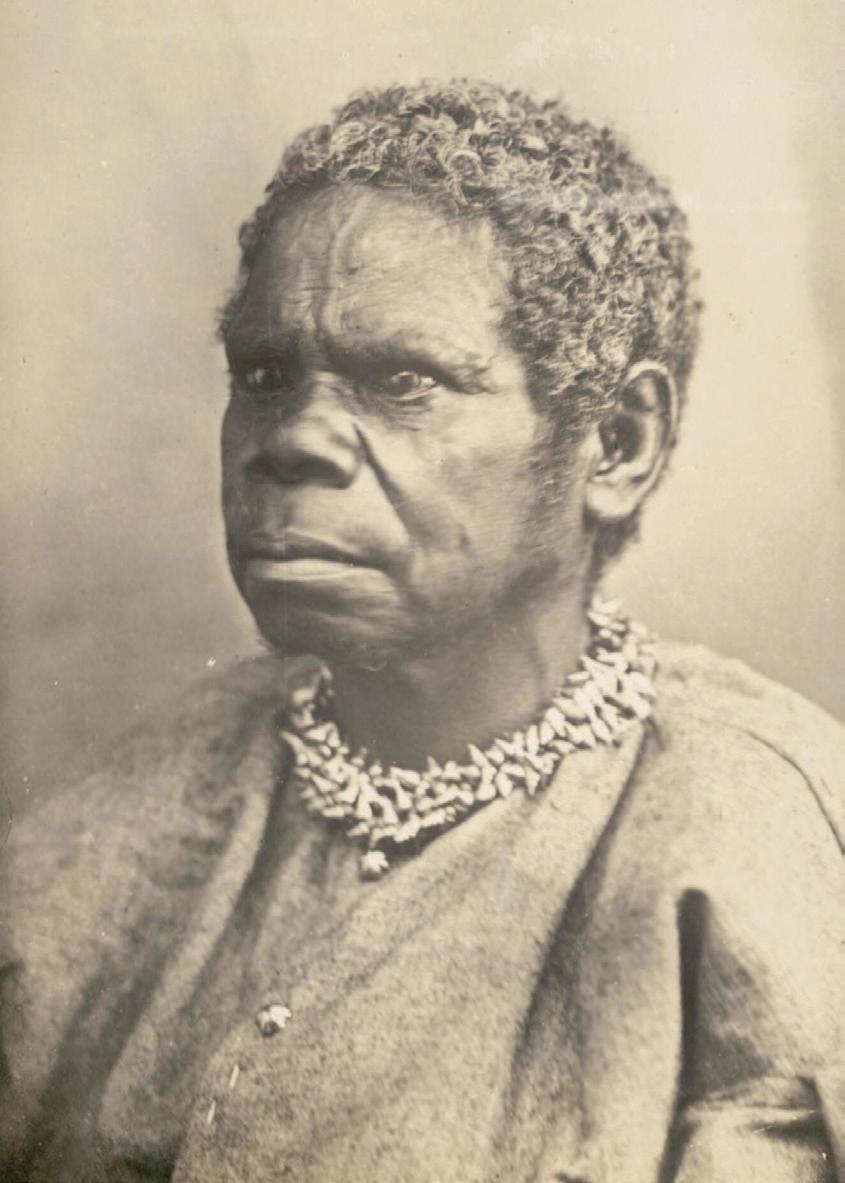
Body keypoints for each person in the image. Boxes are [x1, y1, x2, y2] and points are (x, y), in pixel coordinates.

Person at [1, 79, 842, 1183]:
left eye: (402, 380)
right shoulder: (132, 813)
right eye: (263, 375)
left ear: (617, 443)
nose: (292, 439)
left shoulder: (750, 841)